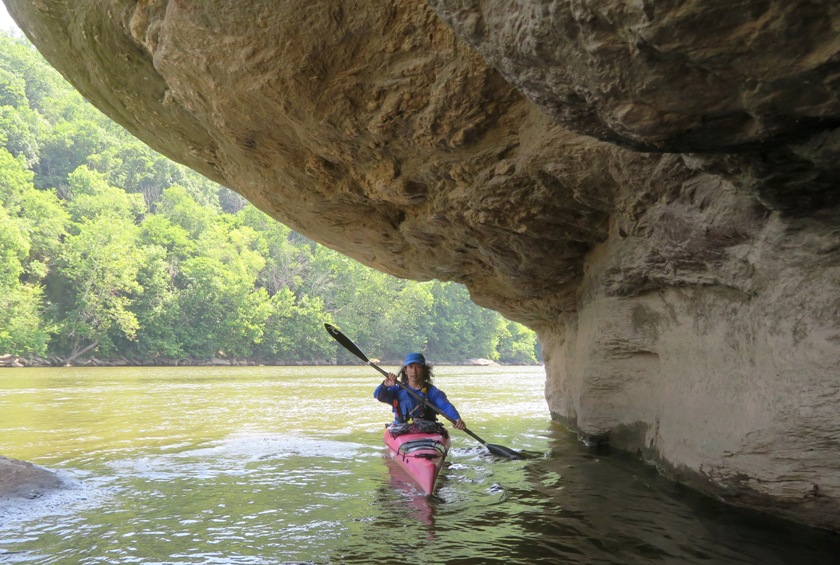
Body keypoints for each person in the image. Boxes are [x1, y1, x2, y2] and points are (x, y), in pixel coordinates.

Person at [373, 352, 466, 430]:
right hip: (401, 431)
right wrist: (385, 385)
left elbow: (446, 406)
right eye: (410, 367)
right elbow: (378, 396)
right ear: (405, 370)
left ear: (424, 370)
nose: (414, 371)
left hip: (427, 431)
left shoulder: (433, 392)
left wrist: (456, 419)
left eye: (418, 367)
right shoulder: (396, 391)